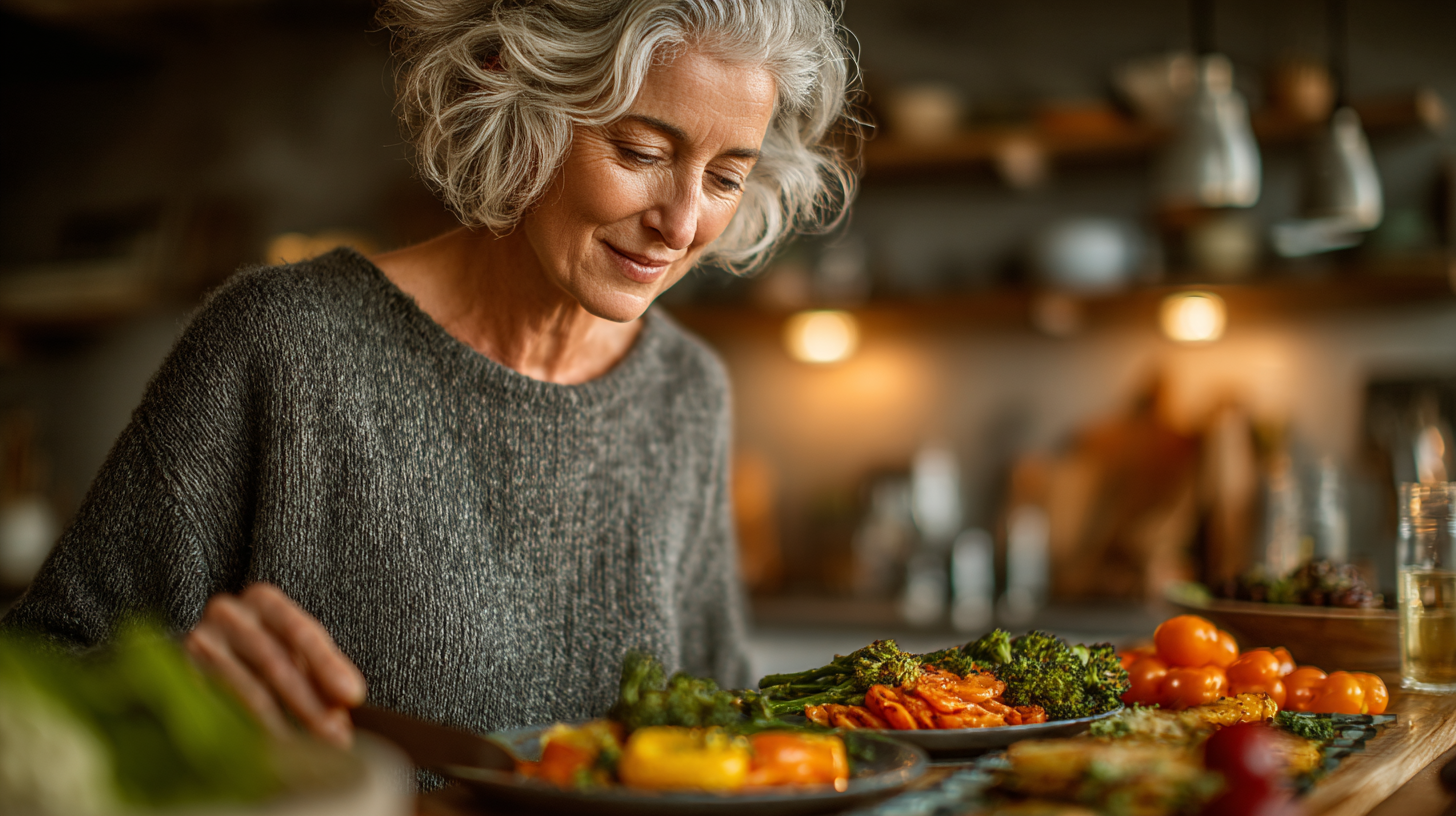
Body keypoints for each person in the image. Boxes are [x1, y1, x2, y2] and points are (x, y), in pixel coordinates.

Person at [2, 0, 858, 750]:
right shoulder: (283, 344)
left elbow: (723, 725)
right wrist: (180, 700)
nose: (681, 221)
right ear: (518, 100)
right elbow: (36, 677)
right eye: (639, 150)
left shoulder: (685, 391)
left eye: (725, 177)